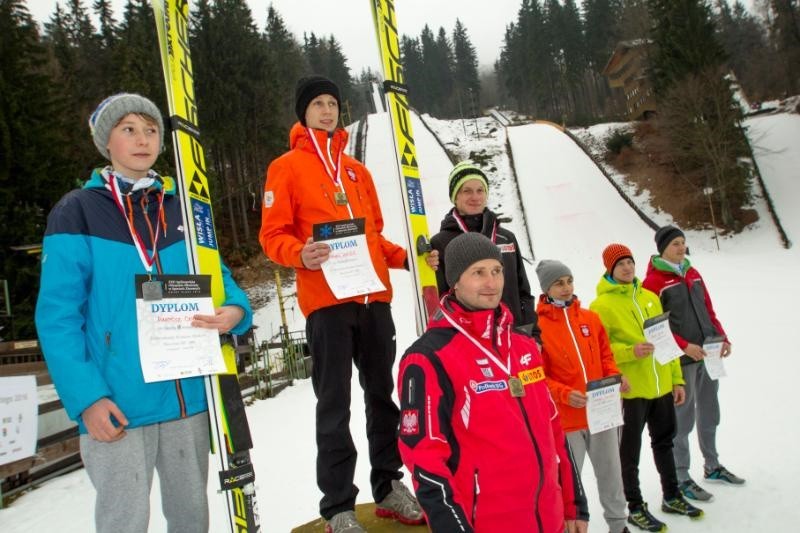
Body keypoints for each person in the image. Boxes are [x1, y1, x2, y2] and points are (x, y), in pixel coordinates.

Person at [35, 93, 254, 533]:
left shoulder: (186, 209)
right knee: (124, 521)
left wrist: (234, 309)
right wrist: (87, 398)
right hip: (118, 402)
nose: (143, 139)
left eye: (151, 129)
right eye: (128, 129)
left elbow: (219, 276)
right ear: (106, 142)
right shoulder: (76, 211)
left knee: (192, 518)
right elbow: (57, 317)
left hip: (186, 398)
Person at [259, 75, 424, 533]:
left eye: (333, 103)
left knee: (382, 396)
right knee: (333, 403)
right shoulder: (286, 167)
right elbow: (273, 236)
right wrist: (300, 253)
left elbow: (373, 237)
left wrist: (406, 258)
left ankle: (389, 485)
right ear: (303, 112)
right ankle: (338, 506)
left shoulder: (358, 172)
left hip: (373, 300)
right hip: (327, 302)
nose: (328, 111)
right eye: (318, 104)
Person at [398, 232, 589, 532]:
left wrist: (573, 502)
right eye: (478, 272)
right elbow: (424, 456)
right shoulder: (428, 357)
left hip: (549, 520)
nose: (492, 282)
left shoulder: (524, 347)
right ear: (455, 281)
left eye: (497, 271)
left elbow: (553, 429)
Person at [590, 243, 701, 532]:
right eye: (620, 264)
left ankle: (672, 495)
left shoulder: (650, 297)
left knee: (665, 441)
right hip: (631, 390)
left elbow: (666, 341)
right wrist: (629, 351)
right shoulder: (601, 306)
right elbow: (600, 350)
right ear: (610, 269)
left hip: (661, 384)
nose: (627, 268)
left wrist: (676, 379)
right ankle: (635, 506)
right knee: (629, 451)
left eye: (630, 262)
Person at [642, 226, 744, 503]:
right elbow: (655, 327)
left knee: (710, 411)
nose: (681, 247)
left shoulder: (692, 273)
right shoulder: (653, 282)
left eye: (683, 243)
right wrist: (684, 345)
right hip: (683, 359)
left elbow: (708, 309)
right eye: (675, 243)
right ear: (662, 248)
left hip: (708, 352)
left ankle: (712, 465)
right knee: (682, 420)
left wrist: (721, 336)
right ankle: (681, 475)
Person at [535, 259, 630, 533]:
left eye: (569, 281)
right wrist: (564, 394)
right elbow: (538, 376)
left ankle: (618, 525)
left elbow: (606, 356)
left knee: (611, 474)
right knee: (566, 483)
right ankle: (567, 527)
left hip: (602, 413)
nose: (566, 288)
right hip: (566, 420)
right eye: (558, 283)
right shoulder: (538, 326)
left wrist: (616, 376)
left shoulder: (589, 318)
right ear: (546, 288)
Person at [430, 160, 540, 341]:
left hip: (514, 334)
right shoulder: (440, 243)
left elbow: (523, 291)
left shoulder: (506, 238)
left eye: (480, 190)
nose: (475, 196)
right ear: (455, 197)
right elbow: (440, 300)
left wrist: (532, 334)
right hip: (470, 340)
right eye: (467, 191)